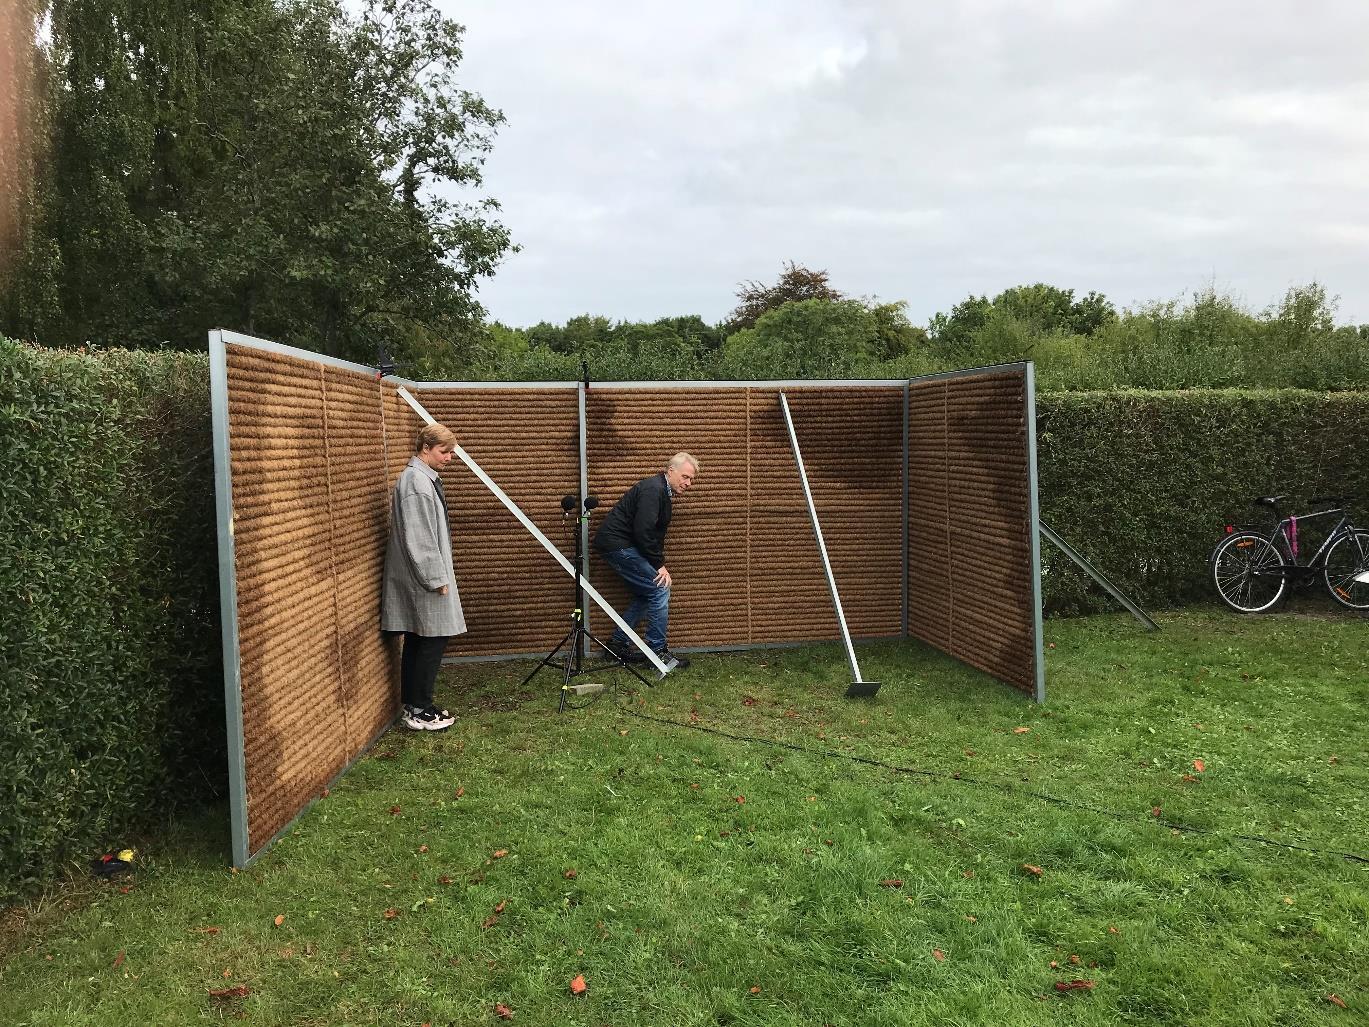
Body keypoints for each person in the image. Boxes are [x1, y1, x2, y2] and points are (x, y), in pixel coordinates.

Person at [381, 423, 467, 730]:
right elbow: (420, 538)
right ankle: (420, 710)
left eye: (451, 452)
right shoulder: (416, 482)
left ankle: (416, 706)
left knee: (420, 639)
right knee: (432, 639)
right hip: (424, 580)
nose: (449, 458)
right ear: (425, 448)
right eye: (444, 452)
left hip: (420, 578)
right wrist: (436, 578)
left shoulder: (420, 478)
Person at [593, 452, 698, 669]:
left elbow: (652, 534)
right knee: (660, 588)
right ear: (671, 471)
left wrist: (655, 562)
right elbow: (643, 531)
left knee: (646, 593)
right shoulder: (654, 490)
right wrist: (659, 565)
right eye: (685, 477)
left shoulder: (661, 491)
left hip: (622, 545)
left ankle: (617, 645)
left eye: (691, 479)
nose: (688, 483)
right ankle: (656, 653)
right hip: (619, 545)